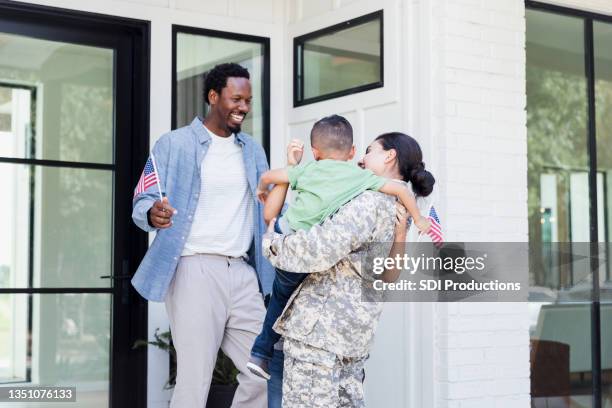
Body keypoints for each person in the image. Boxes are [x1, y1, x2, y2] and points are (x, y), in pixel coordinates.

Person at [131, 63, 273, 408]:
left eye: (248, 100)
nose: (243, 107)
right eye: (236, 98)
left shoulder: (252, 150)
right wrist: (153, 212)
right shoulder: (174, 144)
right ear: (213, 96)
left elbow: (267, 207)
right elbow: (144, 198)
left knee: (265, 369)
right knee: (195, 381)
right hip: (194, 270)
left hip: (242, 273)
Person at [247, 115, 430, 380]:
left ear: (389, 157)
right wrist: (409, 227)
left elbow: (317, 250)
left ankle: (261, 352)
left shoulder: (368, 199)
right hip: (353, 336)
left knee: (277, 299)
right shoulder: (393, 205)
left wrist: (271, 242)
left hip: (319, 333)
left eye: (369, 151)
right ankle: (263, 352)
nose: (362, 159)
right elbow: (389, 276)